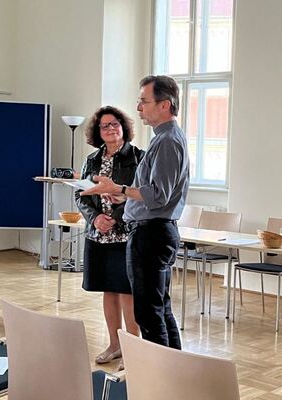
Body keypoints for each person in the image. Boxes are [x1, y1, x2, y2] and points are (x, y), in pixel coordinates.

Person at [81, 75, 190, 349]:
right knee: (158, 309)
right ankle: (172, 368)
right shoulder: (163, 138)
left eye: (144, 101)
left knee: (148, 313)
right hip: (152, 230)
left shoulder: (167, 141)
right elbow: (150, 192)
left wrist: (120, 188)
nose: (139, 107)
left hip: (152, 233)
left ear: (164, 105)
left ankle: (158, 372)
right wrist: (122, 194)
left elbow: (158, 195)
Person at [75, 106, 143, 364]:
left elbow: (139, 194)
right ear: (98, 131)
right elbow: (80, 194)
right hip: (98, 235)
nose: (111, 129)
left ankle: (133, 350)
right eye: (105, 126)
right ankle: (115, 345)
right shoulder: (92, 160)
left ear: (123, 126)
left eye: (115, 123)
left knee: (127, 292)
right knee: (109, 290)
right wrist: (95, 219)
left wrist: (114, 217)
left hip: (126, 234)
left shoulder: (138, 157)